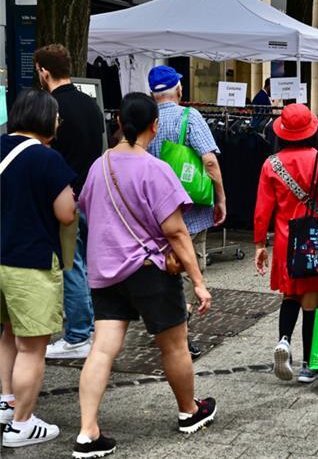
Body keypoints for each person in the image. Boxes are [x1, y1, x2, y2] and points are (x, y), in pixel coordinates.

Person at [74, 93, 216, 458]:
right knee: (173, 345)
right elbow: (177, 232)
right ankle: (189, 411)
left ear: (119, 122)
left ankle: (88, 431)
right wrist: (198, 281)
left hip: (106, 272)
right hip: (149, 270)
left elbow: (87, 210)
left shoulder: (99, 166)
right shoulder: (156, 169)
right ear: (155, 125)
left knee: (102, 349)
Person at [0, 90, 76, 448]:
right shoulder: (48, 160)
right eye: (56, 116)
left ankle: (6, 402)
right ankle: (22, 424)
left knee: (7, 334)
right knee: (32, 346)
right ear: (44, 119)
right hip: (30, 262)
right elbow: (65, 213)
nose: (59, 121)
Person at [254, 104, 318, 384]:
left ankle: (284, 341)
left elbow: (262, 209)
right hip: (316, 242)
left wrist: (260, 243)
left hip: (286, 240)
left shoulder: (270, 164)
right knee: (311, 301)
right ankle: (309, 365)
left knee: (289, 295)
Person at [146, 65, 226, 359]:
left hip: (155, 210)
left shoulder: (147, 118)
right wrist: (221, 199)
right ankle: (179, 335)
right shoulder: (189, 117)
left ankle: (162, 324)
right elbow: (209, 162)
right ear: (179, 90)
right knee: (192, 268)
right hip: (189, 211)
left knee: (162, 266)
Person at [34, 45, 103, 361]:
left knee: (72, 267)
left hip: (64, 198)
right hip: (91, 195)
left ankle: (77, 335)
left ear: (43, 72)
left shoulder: (50, 108)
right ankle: (89, 329)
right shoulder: (91, 105)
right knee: (87, 266)